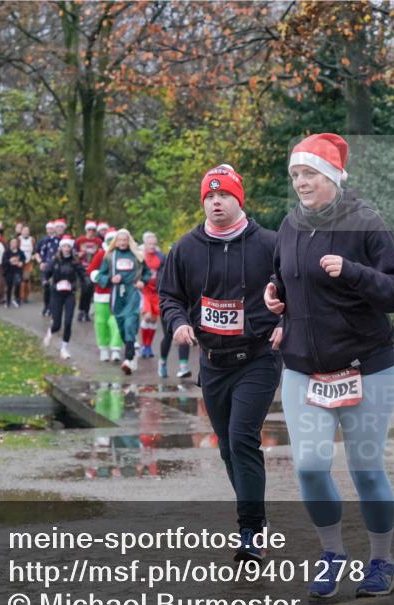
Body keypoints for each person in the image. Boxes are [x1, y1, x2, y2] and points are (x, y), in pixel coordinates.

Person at [265, 133, 394, 598]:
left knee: (366, 468)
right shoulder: (289, 225)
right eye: (295, 175)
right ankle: (332, 553)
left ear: (331, 175)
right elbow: (285, 276)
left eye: (308, 173)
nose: (300, 182)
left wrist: (352, 271)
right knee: (309, 466)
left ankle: (382, 561)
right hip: (304, 368)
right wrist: (276, 297)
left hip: (365, 366)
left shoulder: (366, 222)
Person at [159, 164, 282, 562]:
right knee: (228, 447)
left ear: (238, 200)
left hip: (258, 358)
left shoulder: (269, 244)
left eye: (224, 195)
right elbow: (170, 297)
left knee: (244, 438)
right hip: (213, 363)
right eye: (210, 196)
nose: (216, 201)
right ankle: (256, 520)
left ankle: (250, 532)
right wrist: (178, 323)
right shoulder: (185, 248)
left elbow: (297, 288)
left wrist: (287, 322)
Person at [94, 229, 149, 374]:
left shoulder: (137, 256)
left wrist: (142, 282)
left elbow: (147, 273)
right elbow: (100, 275)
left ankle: (128, 359)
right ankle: (131, 352)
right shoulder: (110, 256)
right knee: (122, 327)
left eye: (125, 240)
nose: (123, 243)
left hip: (133, 294)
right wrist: (110, 280)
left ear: (129, 241)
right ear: (115, 242)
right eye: (120, 240)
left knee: (130, 324)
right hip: (117, 296)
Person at [87, 228, 124, 362]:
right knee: (101, 322)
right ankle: (103, 348)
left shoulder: (124, 255)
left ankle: (115, 349)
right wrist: (105, 279)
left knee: (118, 322)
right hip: (102, 295)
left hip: (119, 295)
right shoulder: (101, 254)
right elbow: (91, 271)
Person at [43, 236, 82, 359]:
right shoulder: (55, 260)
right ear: (61, 247)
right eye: (64, 246)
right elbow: (46, 273)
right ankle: (50, 332)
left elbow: (82, 273)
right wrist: (44, 281)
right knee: (57, 324)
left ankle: (64, 348)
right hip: (56, 294)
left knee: (68, 321)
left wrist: (86, 282)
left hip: (69, 294)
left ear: (71, 248)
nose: (66, 249)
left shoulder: (74, 261)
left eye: (68, 246)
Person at [139, 231, 165, 359]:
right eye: (149, 244)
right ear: (145, 243)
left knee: (154, 319)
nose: (152, 246)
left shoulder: (161, 256)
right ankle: (144, 345)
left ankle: (148, 346)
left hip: (156, 291)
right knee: (147, 317)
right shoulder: (140, 256)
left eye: (154, 244)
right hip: (144, 291)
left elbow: (165, 271)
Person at [75, 220, 102, 322]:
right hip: (82, 267)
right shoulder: (80, 240)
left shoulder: (98, 242)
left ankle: (85, 312)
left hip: (93, 268)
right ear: (86, 230)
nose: (91, 232)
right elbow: (73, 252)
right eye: (89, 230)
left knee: (90, 289)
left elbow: (101, 253)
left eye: (93, 230)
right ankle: (81, 310)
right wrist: (78, 254)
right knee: (84, 288)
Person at [36, 220, 62, 316]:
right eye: (48, 229)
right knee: (46, 285)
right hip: (44, 266)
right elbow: (37, 252)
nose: (49, 230)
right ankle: (46, 306)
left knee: (54, 287)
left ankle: (52, 307)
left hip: (55, 266)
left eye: (51, 228)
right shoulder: (42, 240)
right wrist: (40, 262)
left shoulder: (58, 241)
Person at [2, 236, 26, 308]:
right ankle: (8, 301)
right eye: (12, 242)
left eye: (15, 242)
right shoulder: (7, 252)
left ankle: (17, 300)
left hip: (17, 271)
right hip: (9, 271)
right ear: (10, 243)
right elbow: (3, 261)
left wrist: (21, 263)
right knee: (9, 286)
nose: (14, 244)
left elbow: (23, 259)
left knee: (18, 284)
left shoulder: (20, 252)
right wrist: (10, 261)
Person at [18, 225, 35, 304]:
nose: (25, 232)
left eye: (27, 231)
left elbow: (35, 250)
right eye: (24, 231)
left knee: (26, 279)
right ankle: (19, 295)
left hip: (28, 262)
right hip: (20, 262)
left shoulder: (32, 240)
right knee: (19, 280)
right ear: (21, 232)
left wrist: (34, 256)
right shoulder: (19, 239)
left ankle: (25, 296)